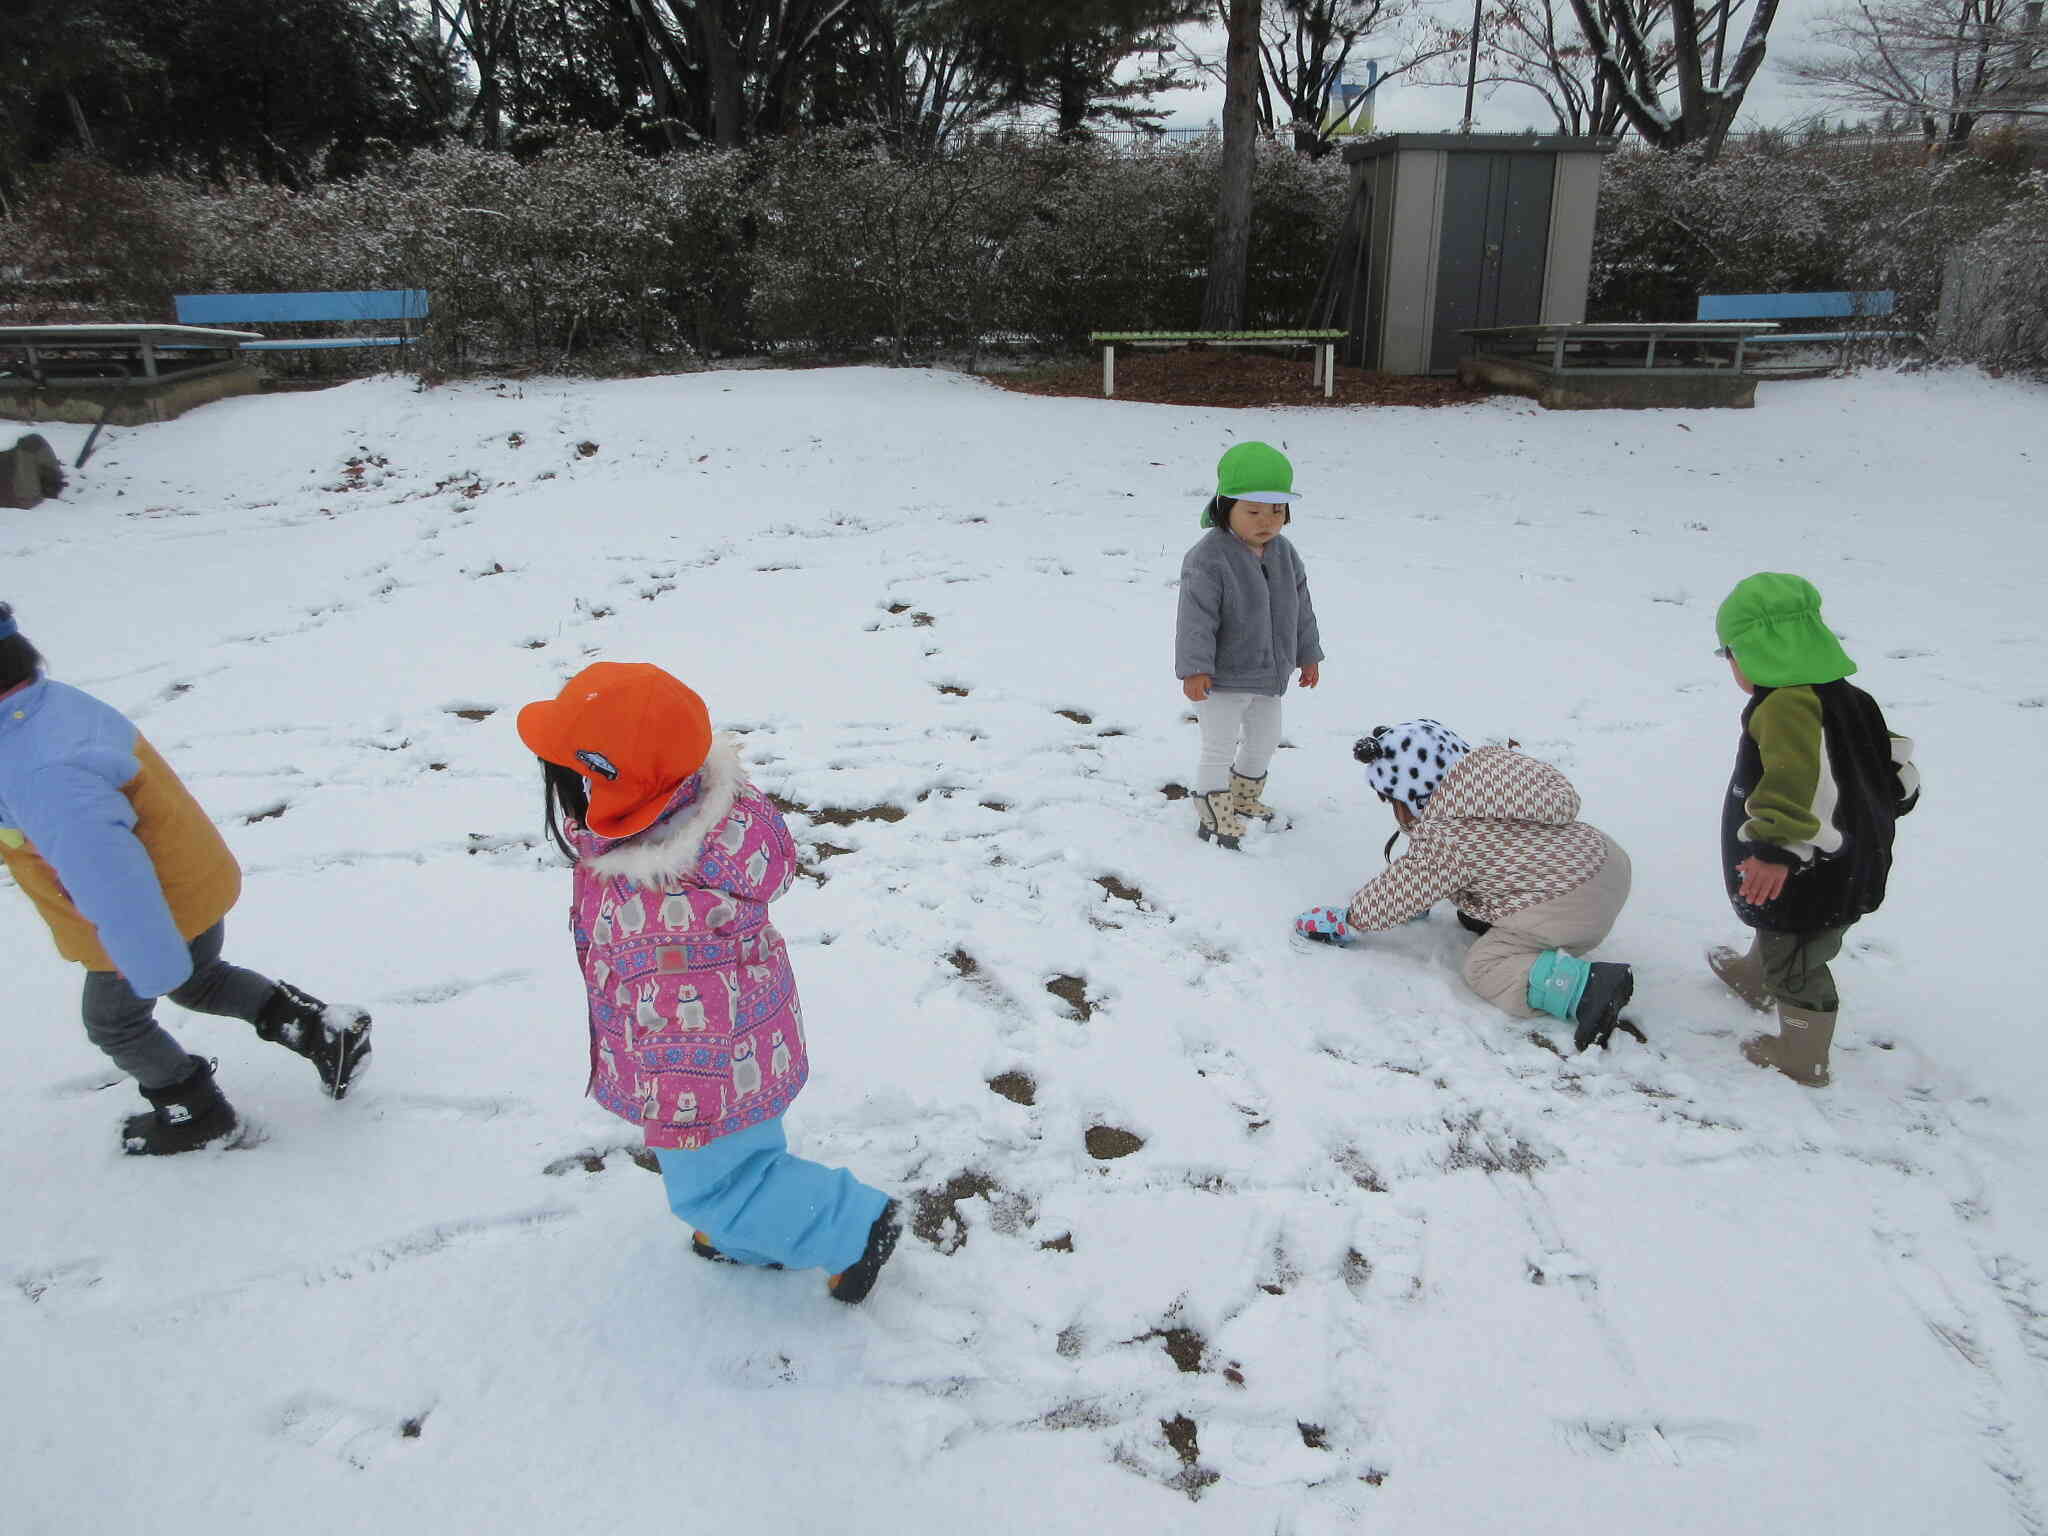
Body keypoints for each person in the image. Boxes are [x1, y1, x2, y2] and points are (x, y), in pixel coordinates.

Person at [516, 662, 900, 1304]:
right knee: (746, 1163)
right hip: (750, 1040)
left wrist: (676, 1113)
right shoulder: (700, 804)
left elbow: (681, 1017)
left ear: (605, 785)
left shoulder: (664, 908)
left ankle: (851, 1226)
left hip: (704, 1073)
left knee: (711, 1189)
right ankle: (749, 1233)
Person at [0, 602, 371, 1155]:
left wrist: (148, 963)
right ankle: (323, 1030)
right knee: (199, 980)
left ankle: (196, 1113)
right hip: (189, 880)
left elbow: (107, 871)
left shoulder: (37, 770)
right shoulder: (45, 705)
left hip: (144, 914)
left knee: (115, 1024)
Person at [1294, 720, 1638, 1052]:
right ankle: (1497, 917)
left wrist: (1351, 917)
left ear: (1414, 796)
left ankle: (1584, 988)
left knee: (1485, 967)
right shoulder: (1492, 777)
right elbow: (1484, 851)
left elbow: (1405, 886)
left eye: (1391, 800)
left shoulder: (1446, 834)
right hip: (1600, 856)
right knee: (1490, 878)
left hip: (1571, 903)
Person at [1706, 573, 1919, 1087]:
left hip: (1812, 864)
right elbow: (1891, 762)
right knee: (1780, 922)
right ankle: (1757, 977)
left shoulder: (1786, 707)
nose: (1730, 665)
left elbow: (1799, 781)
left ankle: (1803, 1053)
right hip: (1850, 851)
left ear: (1757, 650)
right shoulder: (1848, 697)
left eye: (1728, 653)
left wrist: (1777, 849)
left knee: (1799, 951)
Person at [1173, 440, 1323, 850]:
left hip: (1268, 673)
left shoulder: (1285, 554)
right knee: (1219, 745)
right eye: (1253, 511)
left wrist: (1308, 654)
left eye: (1276, 510)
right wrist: (1194, 668)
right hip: (1220, 678)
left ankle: (1243, 797)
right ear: (1226, 507)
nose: (1267, 521)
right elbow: (1195, 619)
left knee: (1265, 739)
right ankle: (1210, 806)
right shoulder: (1208, 558)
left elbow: (1300, 609)